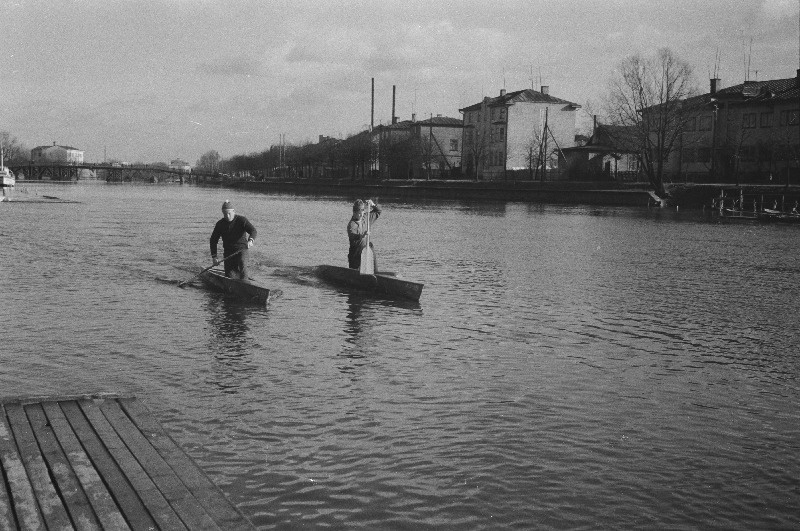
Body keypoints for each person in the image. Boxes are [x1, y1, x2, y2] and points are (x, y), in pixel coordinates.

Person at [210, 200, 257, 280]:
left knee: (242, 264)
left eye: (229, 213)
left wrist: (251, 240)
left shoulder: (242, 220)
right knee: (230, 276)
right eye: (225, 214)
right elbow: (213, 240)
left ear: (234, 211)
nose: (227, 216)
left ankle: (245, 282)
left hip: (242, 250)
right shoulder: (220, 224)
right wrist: (214, 257)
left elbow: (253, 231)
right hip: (228, 253)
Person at [347, 199, 381, 270]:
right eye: (358, 213)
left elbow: (378, 211)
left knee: (370, 245)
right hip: (356, 254)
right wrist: (362, 235)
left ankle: (376, 272)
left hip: (366, 250)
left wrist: (373, 205)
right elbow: (353, 236)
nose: (360, 215)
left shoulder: (366, 217)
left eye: (362, 211)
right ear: (354, 212)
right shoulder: (351, 224)